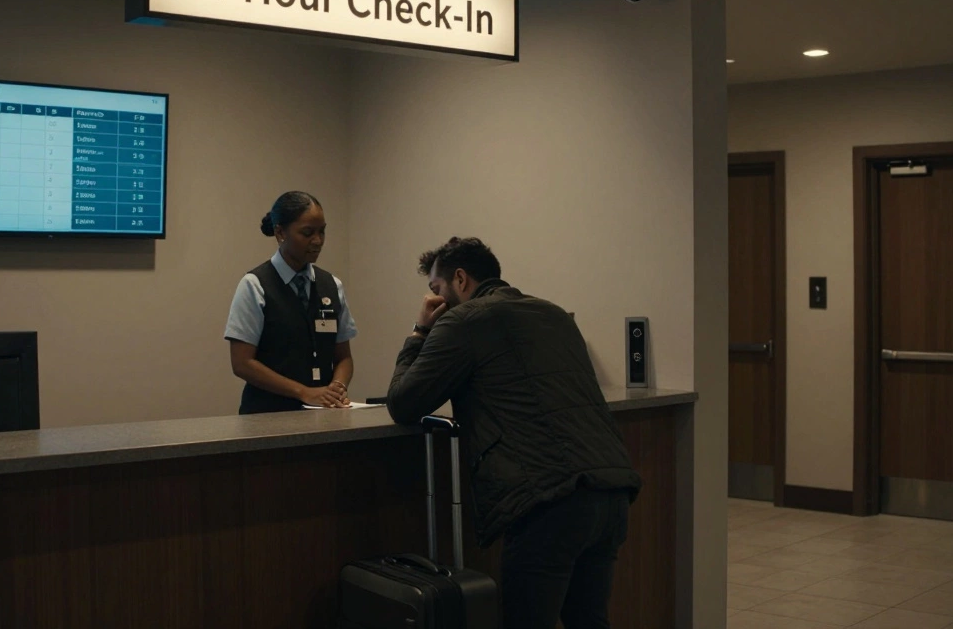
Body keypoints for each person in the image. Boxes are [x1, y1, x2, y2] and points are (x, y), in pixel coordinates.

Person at [386, 237, 641, 629]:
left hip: (548, 501)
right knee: (589, 622)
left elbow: (404, 402)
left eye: (437, 291)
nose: (435, 301)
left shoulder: (463, 321)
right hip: (610, 489)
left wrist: (420, 330)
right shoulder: (553, 314)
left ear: (460, 278)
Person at [225, 191, 357, 413]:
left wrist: (336, 388)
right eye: (307, 233)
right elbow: (242, 363)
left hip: (322, 417)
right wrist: (304, 392)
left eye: (322, 231)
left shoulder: (332, 286)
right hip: (266, 418)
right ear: (280, 233)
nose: (318, 241)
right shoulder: (255, 285)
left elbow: (343, 356)